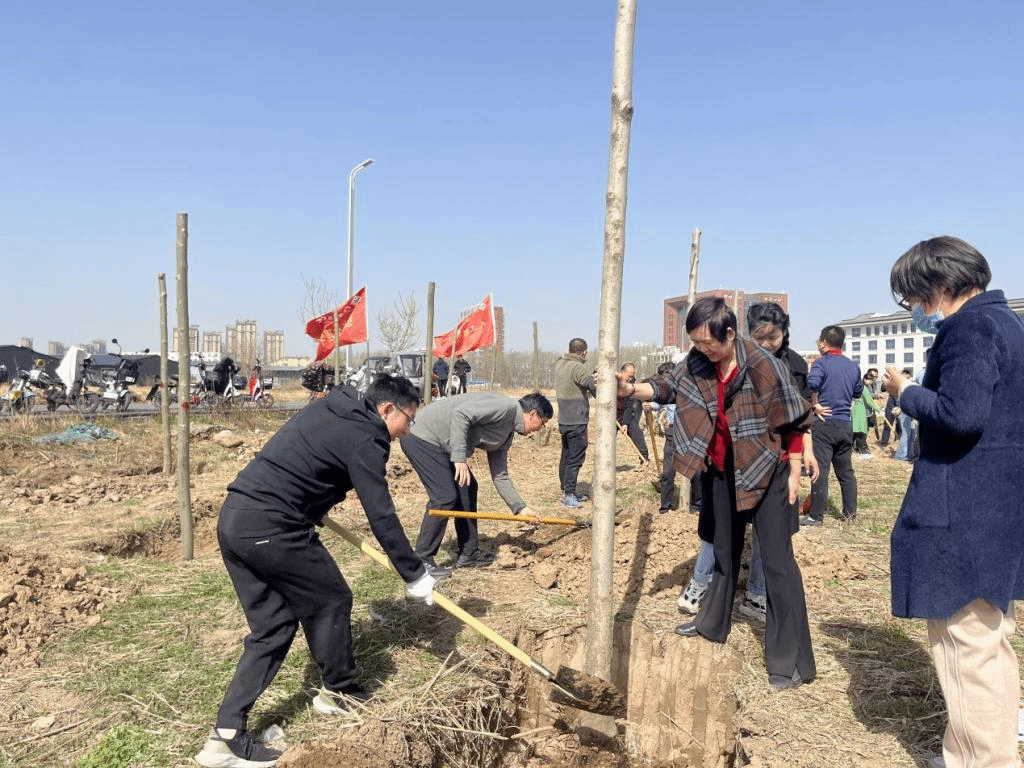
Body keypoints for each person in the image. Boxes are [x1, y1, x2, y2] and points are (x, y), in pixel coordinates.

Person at [196, 375, 436, 768]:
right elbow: (381, 514)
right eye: (408, 419)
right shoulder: (368, 436)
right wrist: (413, 573)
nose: (407, 430)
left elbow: (307, 456)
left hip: (237, 518)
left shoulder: (333, 407)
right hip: (272, 526)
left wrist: (311, 502)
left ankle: (224, 736)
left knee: (273, 627)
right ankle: (339, 692)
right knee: (332, 599)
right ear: (387, 409)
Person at [621, 297, 816, 691]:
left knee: (777, 562)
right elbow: (667, 386)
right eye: (695, 342)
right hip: (723, 469)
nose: (702, 349)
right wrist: (630, 389)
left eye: (708, 343)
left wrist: (795, 468)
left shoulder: (762, 364)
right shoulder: (697, 362)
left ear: (729, 333)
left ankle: (791, 659)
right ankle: (712, 624)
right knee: (724, 551)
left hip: (768, 468)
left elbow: (793, 419)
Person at [882, 235, 1024, 768]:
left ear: (939, 284)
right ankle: (984, 750)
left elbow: (961, 414)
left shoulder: (970, 328)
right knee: (989, 640)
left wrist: (906, 392)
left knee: (965, 645)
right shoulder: (1008, 323)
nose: (917, 308)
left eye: (915, 297)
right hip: (998, 505)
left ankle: (982, 760)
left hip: (964, 509)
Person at [676, 301, 819, 623]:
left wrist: (800, 458)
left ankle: (757, 593)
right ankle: (703, 587)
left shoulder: (790, 366)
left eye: (773, 337)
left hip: (774, 463)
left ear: (784, 333)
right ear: (744, 334)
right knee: (717, 530)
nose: (766, 344)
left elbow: (798, 418)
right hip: (729, 462)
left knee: (770, 539)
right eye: (759, 337)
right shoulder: (722, 359)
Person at [403, 391, 552, 569]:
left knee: (468, 487)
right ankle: (422, 561)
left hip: (442, 445)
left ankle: (469, 553)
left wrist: (521, 509)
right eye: (542, 423)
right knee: (444, 497)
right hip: (422, 436)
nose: (539, 430)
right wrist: (459, 458)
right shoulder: (504, 407)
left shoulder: (506, 435)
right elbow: (461, 414)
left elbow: (500, 476)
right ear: (533, 414)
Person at [802, 325, 862, 527]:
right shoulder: (852, 366)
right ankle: (849, 514)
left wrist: (815, 405)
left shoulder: (820, 363)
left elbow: (812, 384)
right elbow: (857, 392)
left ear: (823, 343)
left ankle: (816, 516)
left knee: (820, 470)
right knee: (846, 472)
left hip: (825, 423)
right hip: (845, 424)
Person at [554, 338, 597, 508]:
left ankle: (565, 489)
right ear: (584, 352)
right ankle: (569, 494)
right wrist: (598, 380)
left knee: (566, 455)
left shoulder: (560, 364)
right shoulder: (578, 367)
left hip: (564, 419)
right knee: (576, 457)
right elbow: (590, 384)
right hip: (576, 419)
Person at [615, 362, 650, 466]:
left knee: (637, 433)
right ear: (622, 373)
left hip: (625, 413)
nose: (631, 378)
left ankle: (644, 458)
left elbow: (629, 404)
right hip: (611, 415)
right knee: (608, 440)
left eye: (633, 376)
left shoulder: (631, 385)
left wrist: (625, 423)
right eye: (629, 376)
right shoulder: (613, 382)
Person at [851, 374, 880, 457]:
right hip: (860, 412)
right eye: (869, 380)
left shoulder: (856, 386)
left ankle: (854, 448)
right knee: (861, 432)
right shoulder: (864, 388)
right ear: (865, 379)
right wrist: (878, 409)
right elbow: (869, 402)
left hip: (854, 411)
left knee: (855, 431)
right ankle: (862, 448)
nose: (870, 382)